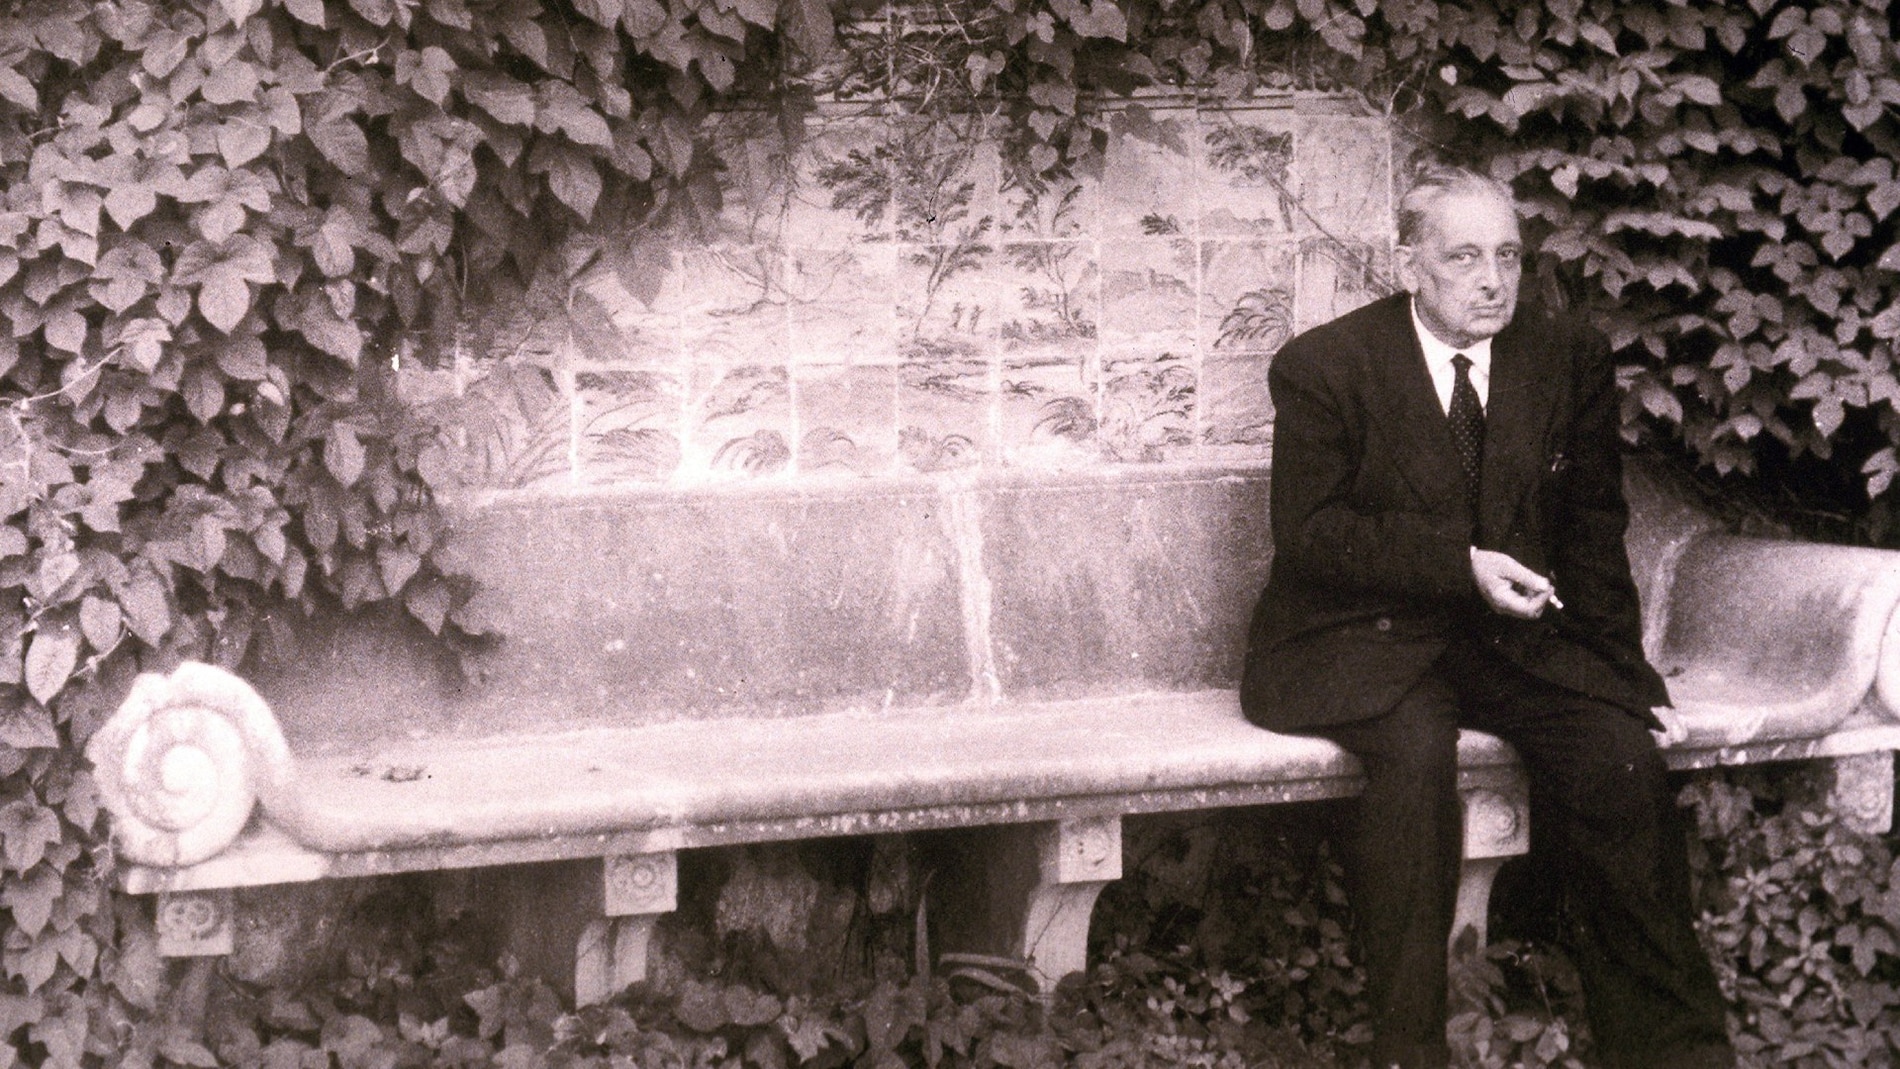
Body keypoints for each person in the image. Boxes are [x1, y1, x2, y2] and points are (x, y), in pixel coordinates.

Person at [1239, 164, 1734, 1069]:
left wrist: (1625, 677)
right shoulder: (1326, 366)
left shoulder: (1564, 355)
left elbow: (1591, 529)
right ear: (1409, 264)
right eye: (1464, 257)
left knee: (1618, 757)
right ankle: (1408, 1049)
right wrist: (1458, 565)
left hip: (1506, 639)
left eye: (1508, 256)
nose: (1493, 280)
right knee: (1415, 763)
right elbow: (1310, 533)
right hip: (1362, 638)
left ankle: (1676, 1052)